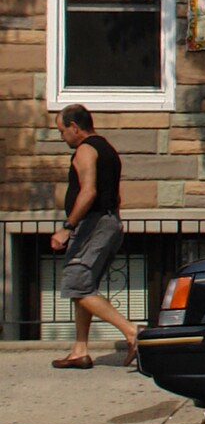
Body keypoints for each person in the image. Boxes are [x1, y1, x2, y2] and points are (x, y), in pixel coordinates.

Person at [50, 103, 138, 369]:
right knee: (83, 287)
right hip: (110, 222)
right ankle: (80, 350)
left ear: (75, 127)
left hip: (94, 224)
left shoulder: (85, 150)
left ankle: (134, 332)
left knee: (77, 284)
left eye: (62, 130)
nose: (62, 136)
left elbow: (88, 192)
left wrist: (67, 227)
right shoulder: (107, 148)